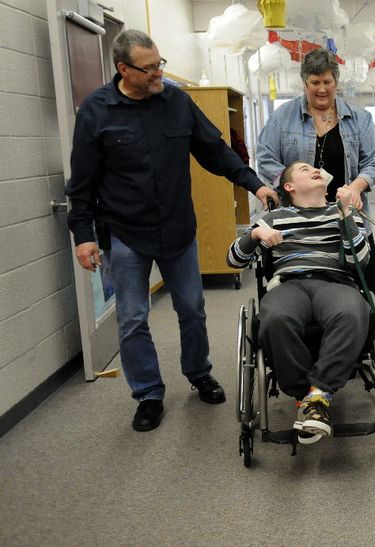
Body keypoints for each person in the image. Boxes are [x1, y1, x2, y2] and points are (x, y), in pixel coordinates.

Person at [65, 30, 278, 432]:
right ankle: (148, 393)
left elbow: (215, 151)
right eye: (148, 68)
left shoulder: (176, 101)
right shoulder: (97, 110)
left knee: (192, 309)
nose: (158, 73)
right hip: (126, 231)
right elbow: (82, 182)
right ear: (123, 69)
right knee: (132, 318)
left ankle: (199, 372)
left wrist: (255, 183)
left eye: (159, 63)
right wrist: (84, 234)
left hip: (178, 228)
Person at [256, 47, 375, 351]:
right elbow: (265, 158)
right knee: (301, 275)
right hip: (299, 217)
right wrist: (291, 186)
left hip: (346, 212)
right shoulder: (282, 117)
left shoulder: (359, 118)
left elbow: (374, 162)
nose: (321, 89)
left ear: (336, 81)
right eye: (314, 83)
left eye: (327, 81)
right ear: (304, 83)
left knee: (366, 279)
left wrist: (356, 187)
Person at [226, 161, 370, 444]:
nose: (315, 169)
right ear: (289, 186)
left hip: (335, 281)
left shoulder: (343, 212)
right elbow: (233, 260)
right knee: (276, 319)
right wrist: (254, 235)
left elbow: (360, 261)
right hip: (289, 283)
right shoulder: (275, 217)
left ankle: (319, 396)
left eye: (316, 168)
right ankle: (304, 396)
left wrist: (344, 216)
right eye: (304, 169)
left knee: (353, 312)